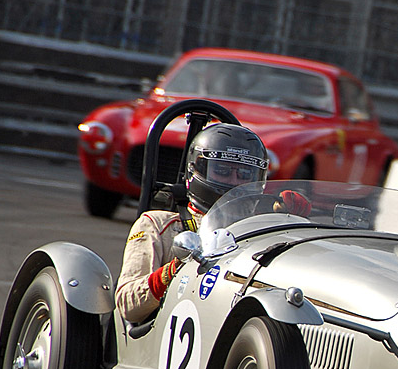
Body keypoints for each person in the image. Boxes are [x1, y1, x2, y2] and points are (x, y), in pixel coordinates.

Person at [115, 122, 309, 323]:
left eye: (244, 174)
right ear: (196, 169)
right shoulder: (157, 225)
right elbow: (128, 305)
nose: (234, 182)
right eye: (223, 171)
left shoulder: (261, 228)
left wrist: (291, 222)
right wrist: (173, 271)